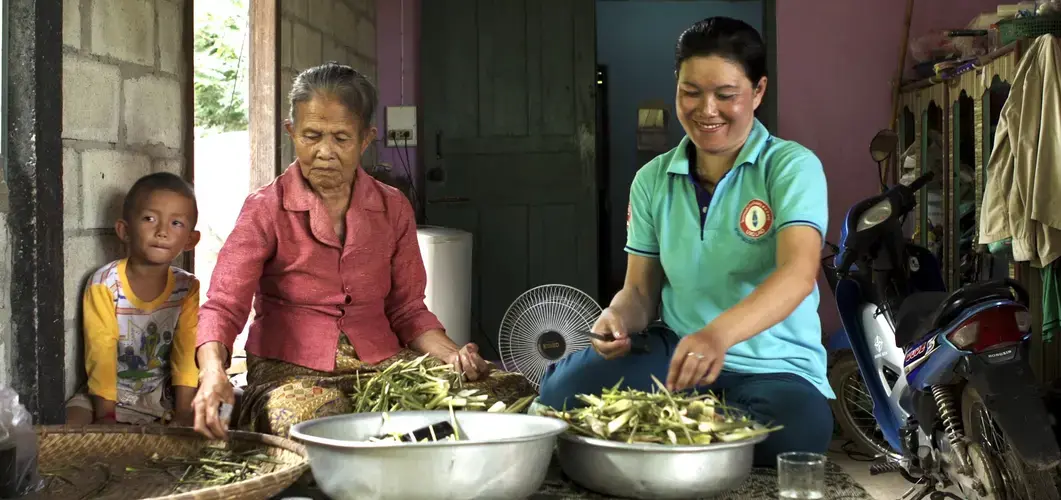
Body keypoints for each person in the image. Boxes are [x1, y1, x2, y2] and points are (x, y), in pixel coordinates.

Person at [537, 17, 833, 467]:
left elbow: (798, 273)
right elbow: (639, 291)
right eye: (691, 92)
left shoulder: (791, 167)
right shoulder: (652, 179)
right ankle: (700, 424)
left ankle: (670, 424)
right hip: (676, 355)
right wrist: (617, 316)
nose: (706, 109)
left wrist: (718, 336)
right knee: (559, 391)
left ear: (758, 92)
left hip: (774, 367)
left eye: (726, 95)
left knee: (795, 436)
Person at [191, 62, 535, 439]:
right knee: (318, 422)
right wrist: (212, 373)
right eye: (311, 136)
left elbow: (407, 309)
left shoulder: (392, 207)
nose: (324, 151)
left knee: (508, 393)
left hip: (383, 364)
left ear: (366, 139)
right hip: (290, 370)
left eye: (341, 138)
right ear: (291, 133)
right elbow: (224, 305)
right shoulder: (265, 208)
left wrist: (453, 355)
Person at [66, 172, 202, 427]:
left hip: (162, 394)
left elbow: (185, 352)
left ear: (190, 240)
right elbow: (100, 354)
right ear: (125, 230)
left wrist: (184, 411)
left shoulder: (187, 287)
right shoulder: (104, 284)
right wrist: (106, 416)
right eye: (150, 219)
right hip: (106, 394)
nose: (162, 231)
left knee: (222, 408)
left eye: (176, 223)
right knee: (70, 425)